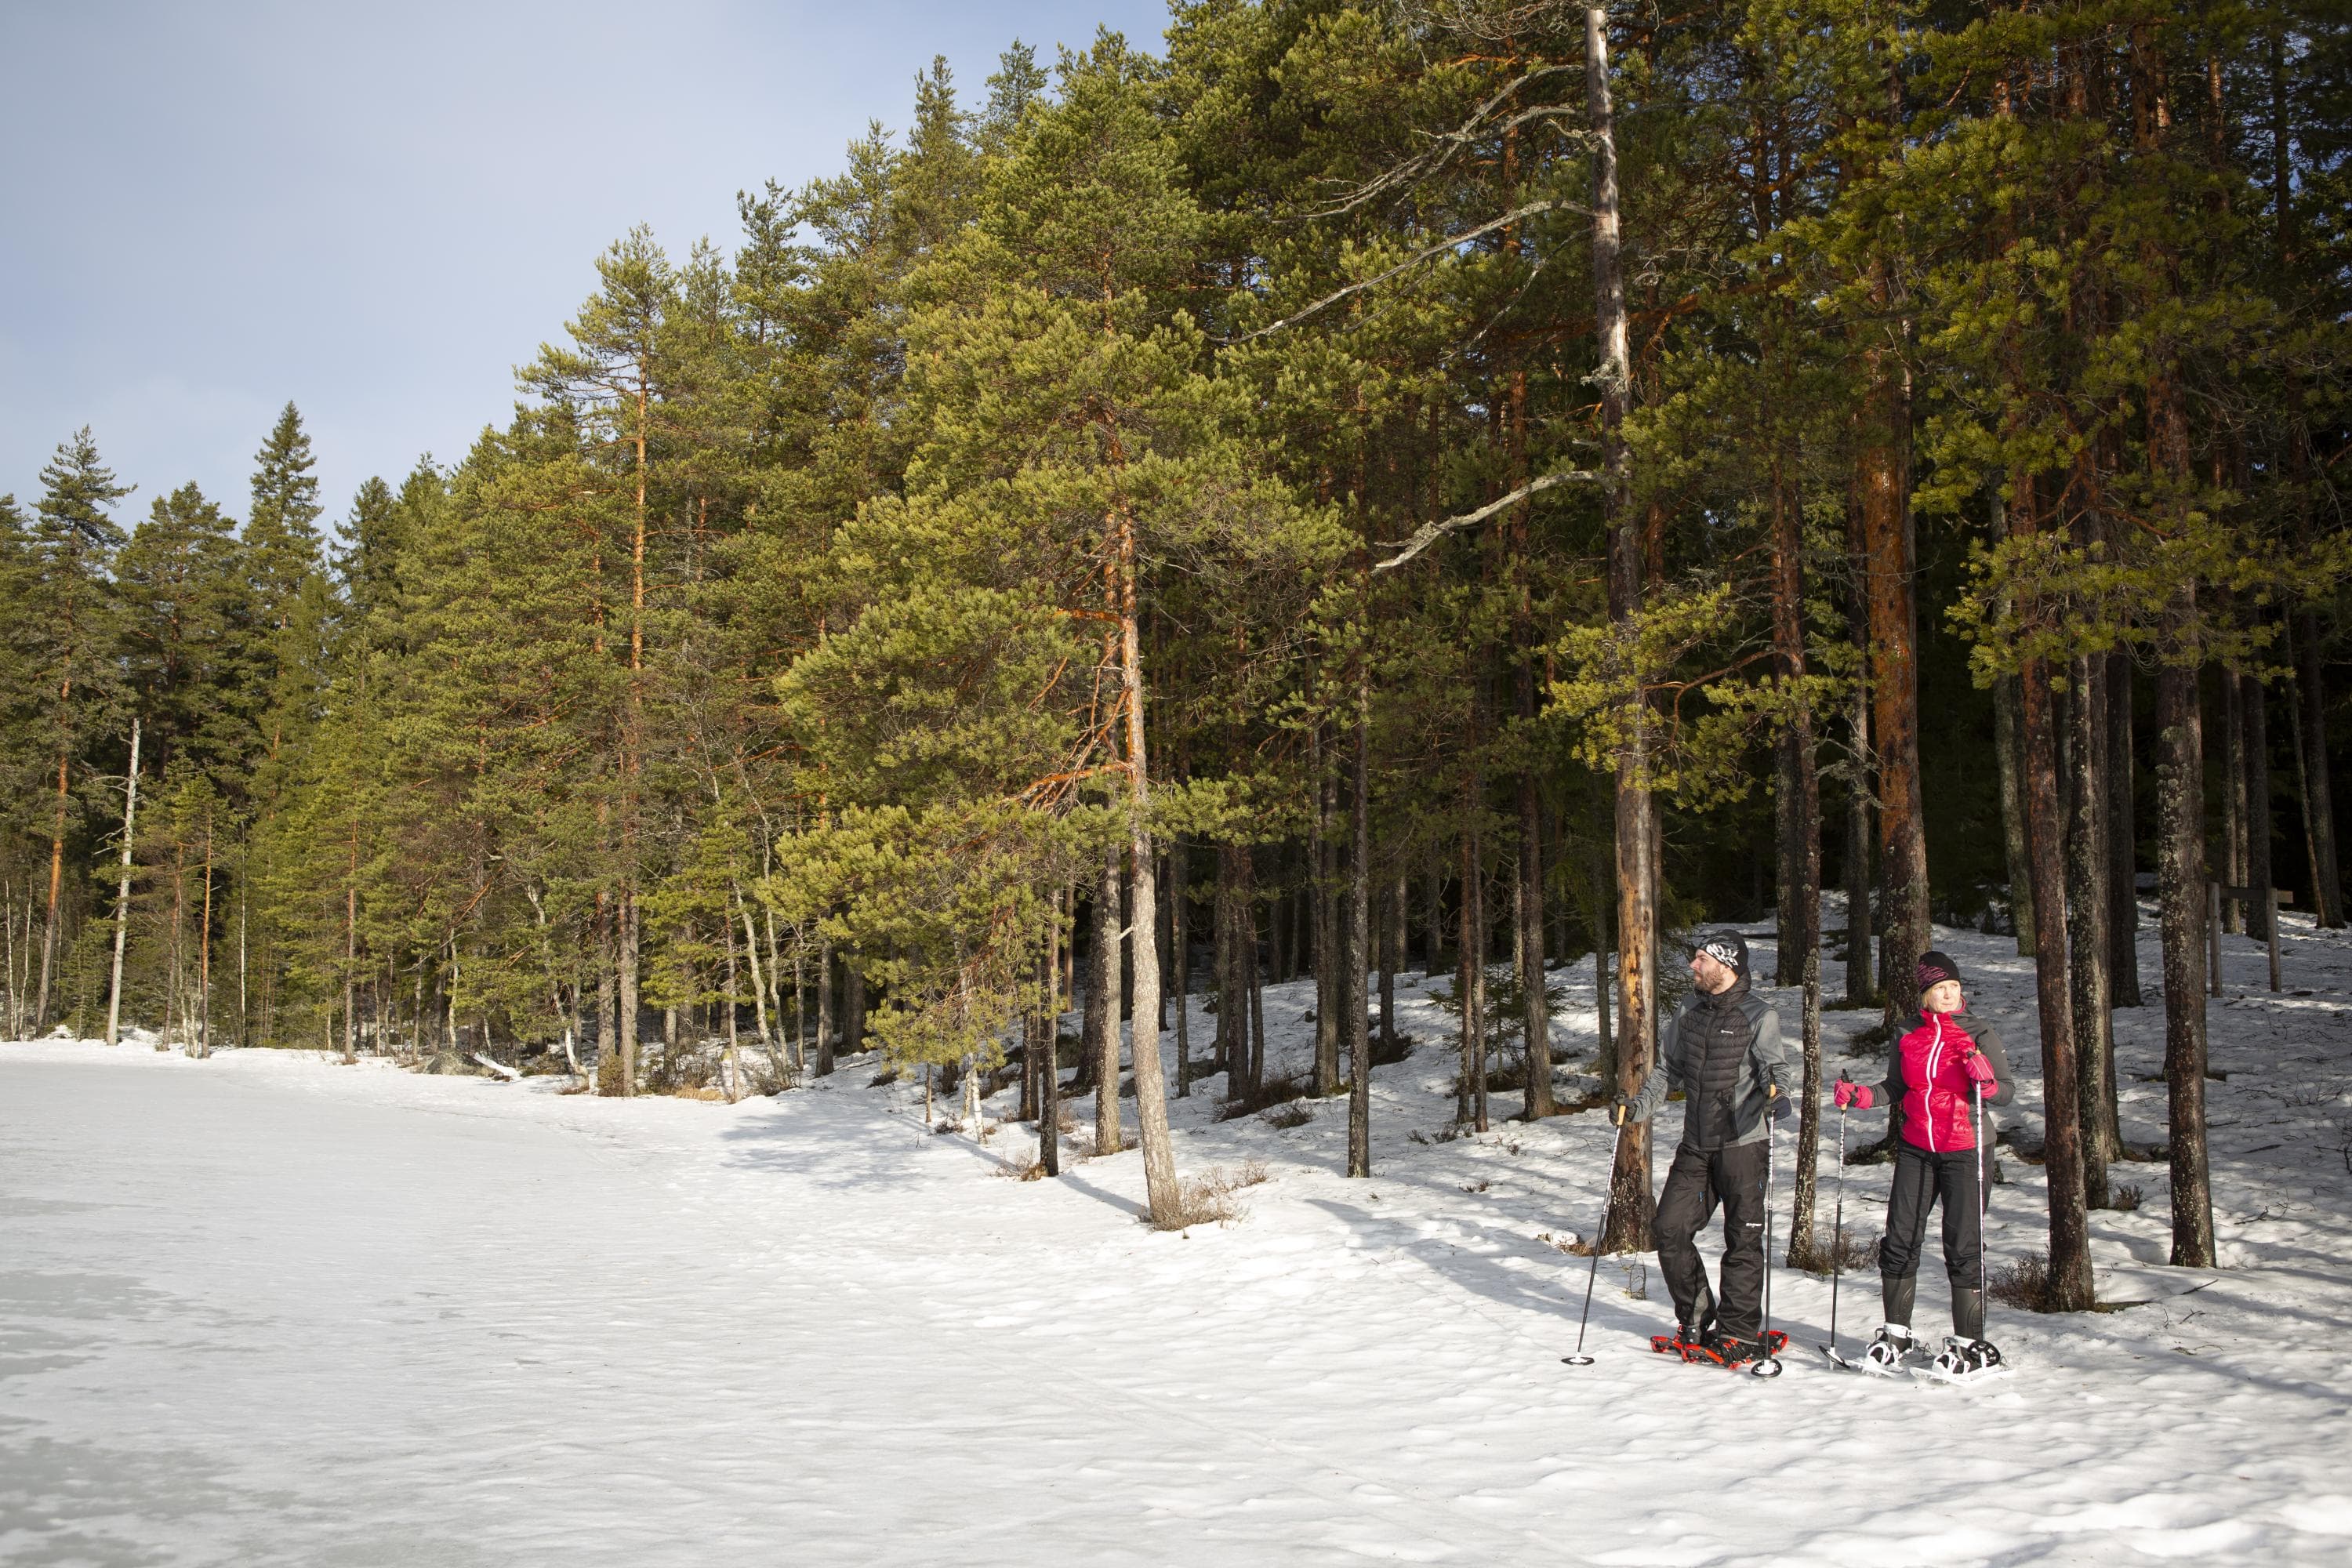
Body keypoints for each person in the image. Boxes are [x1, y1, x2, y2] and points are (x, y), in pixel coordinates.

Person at [1614, 931, 1798, 1367]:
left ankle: (1738, 1331)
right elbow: (1667, 1071)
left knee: (1743, 1241)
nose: (1693, 966)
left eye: (1701, 959)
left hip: (1743, 1145)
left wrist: (1780, 1097)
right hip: (1696, 1145)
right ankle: (1696, 1316)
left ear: (1725, 964)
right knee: (1669, 1228)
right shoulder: (1688, 1010)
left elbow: (1777, 1069)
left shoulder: (1759, 1015)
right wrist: (1637, 1108)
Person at [1832, 949, 2016, 1377]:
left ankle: (1969, 1345)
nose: (1950, 994)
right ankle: (1897, 1334)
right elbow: (1896, 1086)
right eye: (1940, 988)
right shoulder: (1907, 1032)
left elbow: (2005, 1092)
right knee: (1899, 1239)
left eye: (1954, 986)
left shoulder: (1979, 1032)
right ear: (1925, 995)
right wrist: (1861, 1096)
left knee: (1963, 1245)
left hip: (1967, 1147)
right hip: (1917, 1147)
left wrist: (1985, 1081)